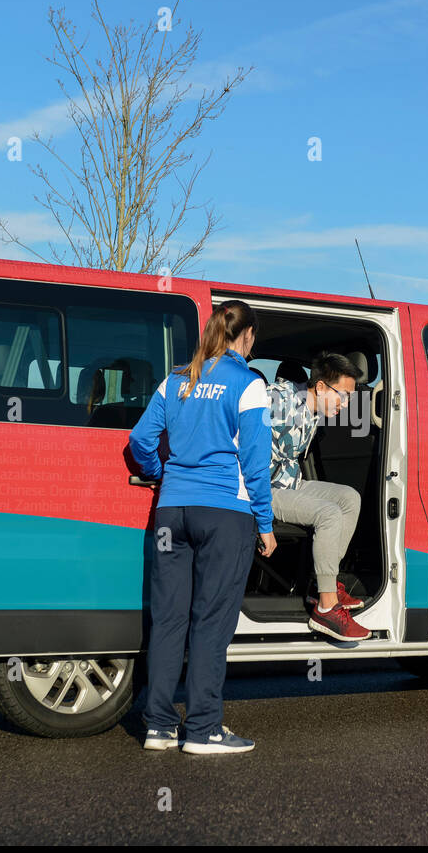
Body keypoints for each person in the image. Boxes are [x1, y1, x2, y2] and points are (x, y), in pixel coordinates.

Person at [128, 300, 277, 755]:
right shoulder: (249, 385)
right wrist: (266, 524)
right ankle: (204, 729)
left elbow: (139, 440)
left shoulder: (176, 380)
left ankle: (158, 725)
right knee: (211, 622)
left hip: (172, 510)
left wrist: (158, 472)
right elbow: (255, 463)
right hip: (225, 515)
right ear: (246, 336)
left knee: (169, 620)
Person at [267, 352, 368, 642]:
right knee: (328, 513)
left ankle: (323, 582)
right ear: (321, 387)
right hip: (262, 488)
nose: (347, 404)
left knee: (349, 498)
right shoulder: (275, 402)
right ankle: (326, 608)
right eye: (343, 396)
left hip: (289, 482)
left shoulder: (315, 411)